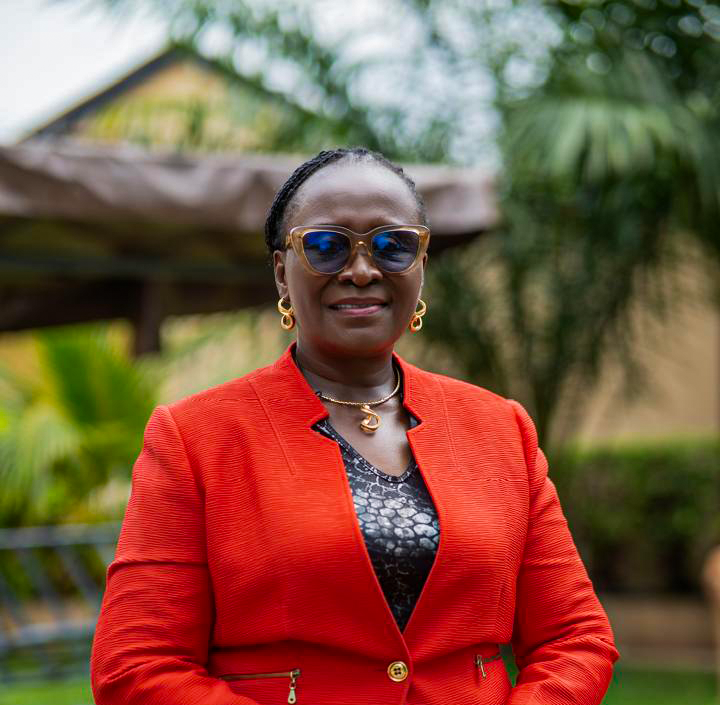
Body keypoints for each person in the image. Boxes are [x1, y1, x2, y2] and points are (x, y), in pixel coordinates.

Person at [91, 147, 619, 705]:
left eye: (393, 246)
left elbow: (576, 637)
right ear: (281, 271)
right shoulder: (195, 436)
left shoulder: (500, 428)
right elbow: (135, 665)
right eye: (326, 246)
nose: (362, 271)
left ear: (420, 264)